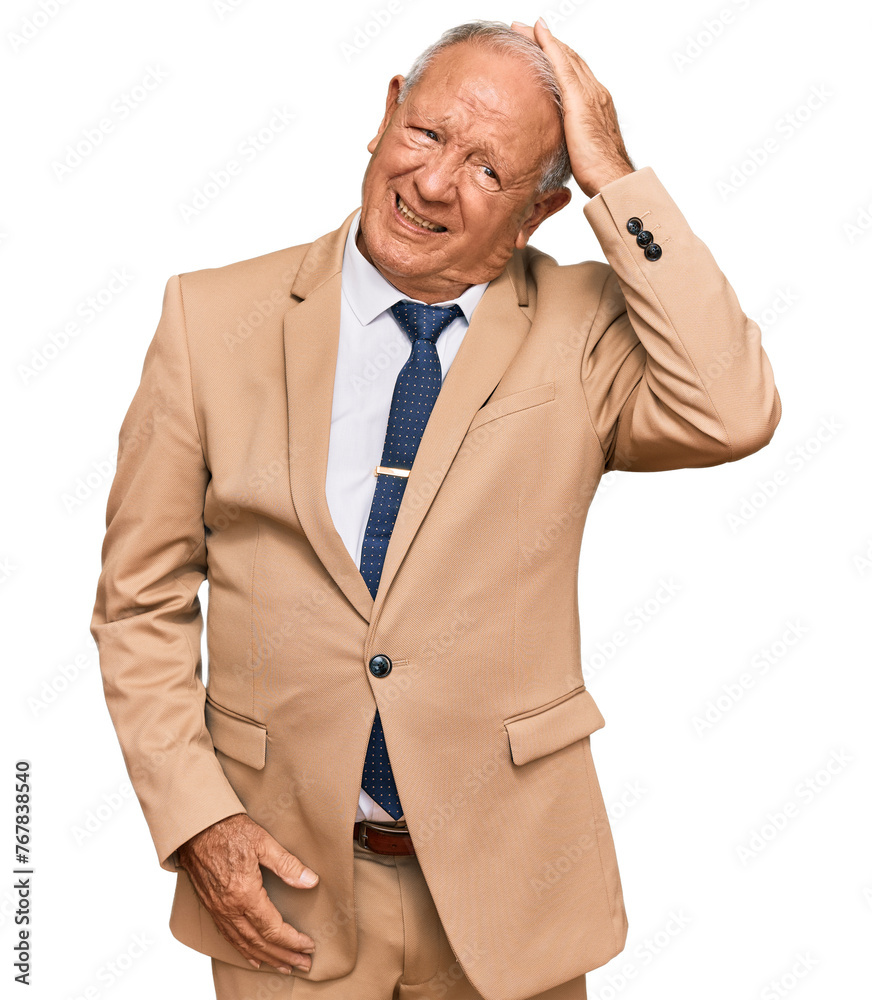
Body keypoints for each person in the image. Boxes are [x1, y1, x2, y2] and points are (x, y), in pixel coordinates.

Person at [89, 17, 781, 1000]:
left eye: (488, 170)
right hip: (285, 895)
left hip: (512, 893)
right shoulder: (209, 320)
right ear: (384, 115)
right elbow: (138, 604)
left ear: (540, 210)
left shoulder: (585, 331)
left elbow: (733, 405)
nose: (430, 182)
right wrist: (198, 817)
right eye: (424, 134)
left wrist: (615, 177)